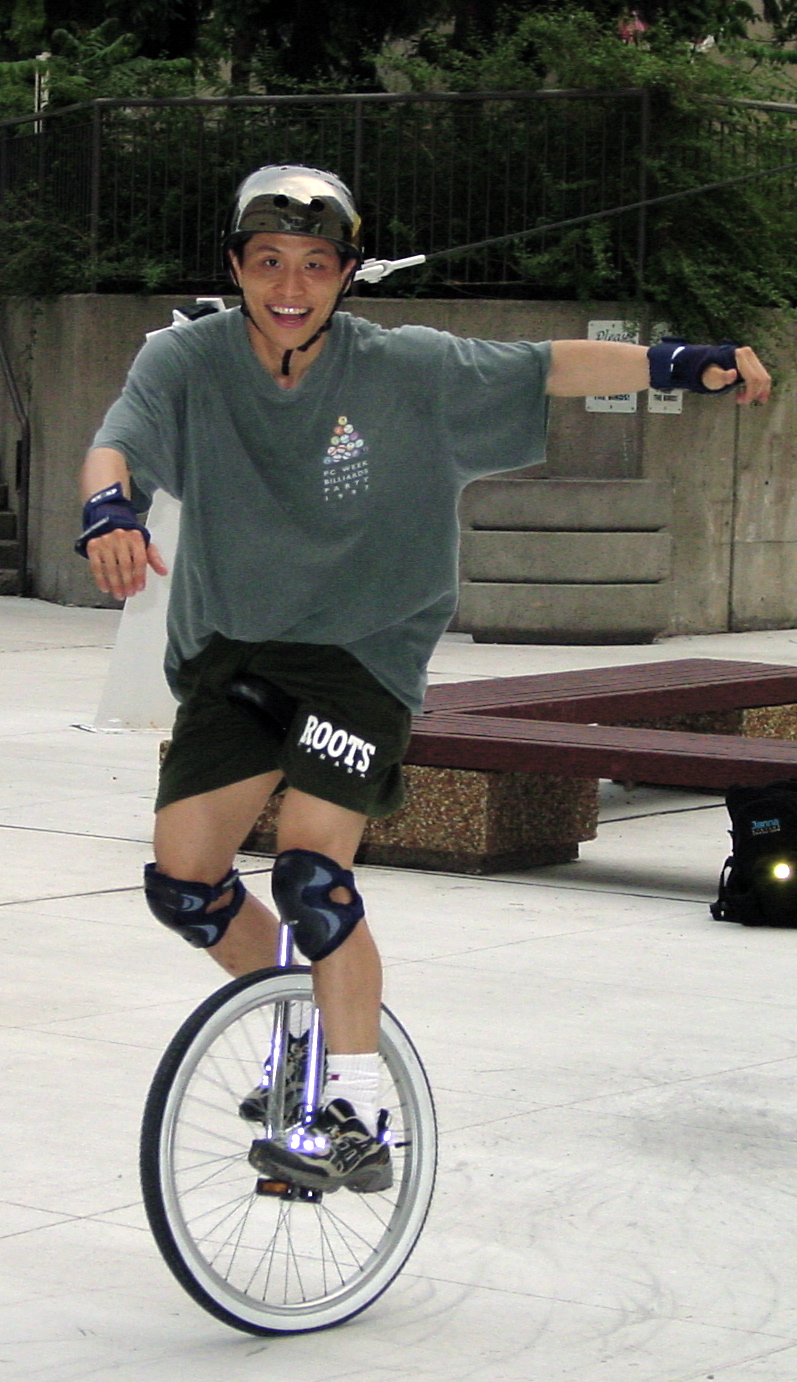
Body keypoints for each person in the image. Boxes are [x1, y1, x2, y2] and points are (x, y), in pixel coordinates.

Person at [77, 164, 771, 1194]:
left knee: (314, 868)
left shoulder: (405, 370)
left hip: (362, 653)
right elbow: (114, 446)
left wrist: (680, 360)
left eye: (315, 265)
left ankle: (357, 1098)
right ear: (234, 265)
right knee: (184, 881)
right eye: (267, 261)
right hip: (233, 650)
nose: (289, 285)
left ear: (346, 272)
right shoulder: (188, 361)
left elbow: (542, 368)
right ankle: (298, 1028)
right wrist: (111, 514)